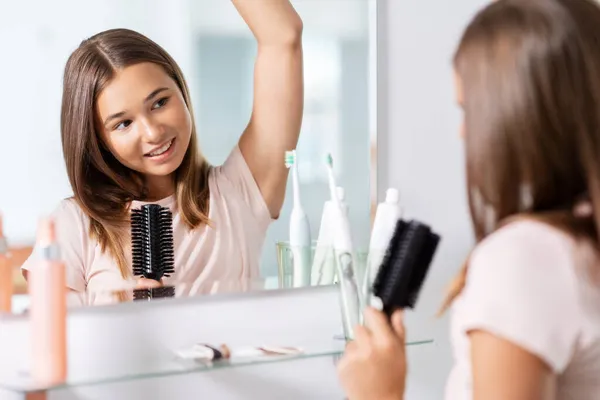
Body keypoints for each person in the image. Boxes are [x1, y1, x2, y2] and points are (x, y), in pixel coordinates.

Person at [337, 0, 600, 399]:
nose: (463, 132)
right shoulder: (580, 239)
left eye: (469, 110)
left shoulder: (521, 259)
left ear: (515, 113)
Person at [21, 0, 304, 304]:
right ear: (97, 140)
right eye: (124, 123)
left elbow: (283, 35)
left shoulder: (241, 193)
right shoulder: (73, 225)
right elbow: (49, 344)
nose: (153, 132)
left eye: (159, 103)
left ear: (181, 91)